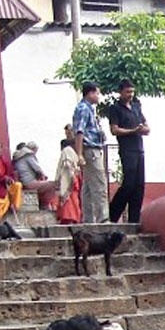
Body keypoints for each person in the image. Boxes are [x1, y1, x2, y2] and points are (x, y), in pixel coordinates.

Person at [106, 79, 150, 223]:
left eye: (132, 91)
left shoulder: (136, 106)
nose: (130, 94)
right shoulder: (115, 108)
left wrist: (143, 129)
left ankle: (134, 220)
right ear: (120, 92)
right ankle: (113, 215)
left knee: (139, 186)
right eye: (127, 92)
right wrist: (133, 131)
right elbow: (114, 129)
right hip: (127, 149)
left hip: (139, 149)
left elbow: (147, 126)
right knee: (128, 184)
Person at [72, 81, 108, 224]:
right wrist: (79, 153)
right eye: (97, 93)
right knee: (99, 184)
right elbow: (79, 131)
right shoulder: (84, 109)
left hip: (90, 149)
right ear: (91, 93)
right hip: (90, 150)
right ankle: (102, 218)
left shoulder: (88, 109)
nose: (98, 96)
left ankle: (88, 218)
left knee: (87, 187)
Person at [11, 142, 59, 209]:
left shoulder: (17, 157)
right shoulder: (28, 155)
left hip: (22, 181)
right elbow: (37, 168)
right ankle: (44, 205)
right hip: (29, 182)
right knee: (52, 184)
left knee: (44, 185)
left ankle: (43, 204)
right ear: (33, 149)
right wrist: (43, 176)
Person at [55, 137, 82, 224]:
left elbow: (67, 165)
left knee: (69, 199)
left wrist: (71, 176)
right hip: (74, 178)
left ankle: (69, 217)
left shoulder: (67, 151)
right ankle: (72, 217)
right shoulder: (72, 152)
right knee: (73, 200)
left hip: (69, 178)